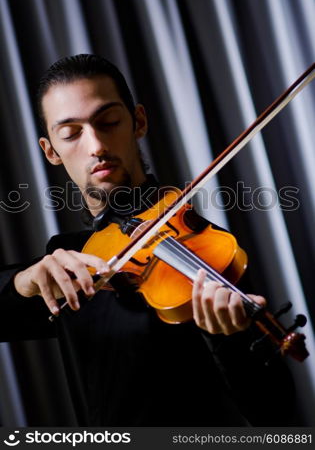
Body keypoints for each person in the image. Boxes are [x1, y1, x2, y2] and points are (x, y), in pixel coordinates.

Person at [0, 54, 299, 426]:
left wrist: (231, 340)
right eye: (71, 133)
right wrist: (22, 282)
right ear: (51, 151)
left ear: (138, 121)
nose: (95, 145)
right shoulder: (67, 263)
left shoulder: (207, 249)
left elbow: (280, 418)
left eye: (108, 121)